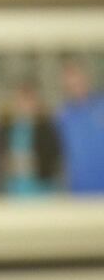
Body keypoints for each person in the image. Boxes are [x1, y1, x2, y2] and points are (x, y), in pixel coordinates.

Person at [55, 56, 104, 194]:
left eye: (77, 78)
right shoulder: (62, 116)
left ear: (86, 77)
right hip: (80, 193)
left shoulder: (101, 104)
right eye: (69, 82)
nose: (74, 85)